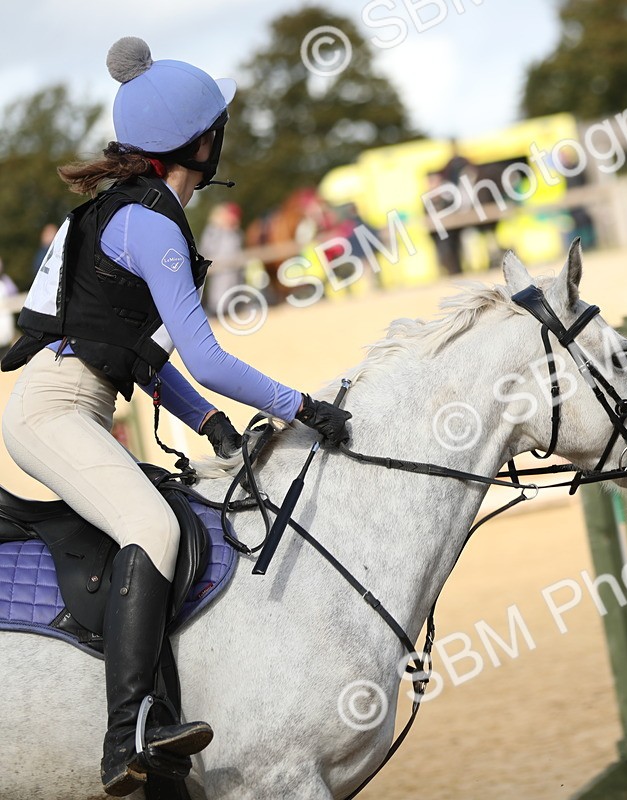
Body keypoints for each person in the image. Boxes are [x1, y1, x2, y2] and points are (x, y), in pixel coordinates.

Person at [0, 37, 352, 796]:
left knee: (175, 512)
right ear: (202, 140)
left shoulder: (127, 214)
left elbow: (131, 350)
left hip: (73, 404)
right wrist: (305, 406)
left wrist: (209, 425)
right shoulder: (151, 222)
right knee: (153, 529)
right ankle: (126, 734)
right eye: (218, 123)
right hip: (53, 410)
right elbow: (210, 358)